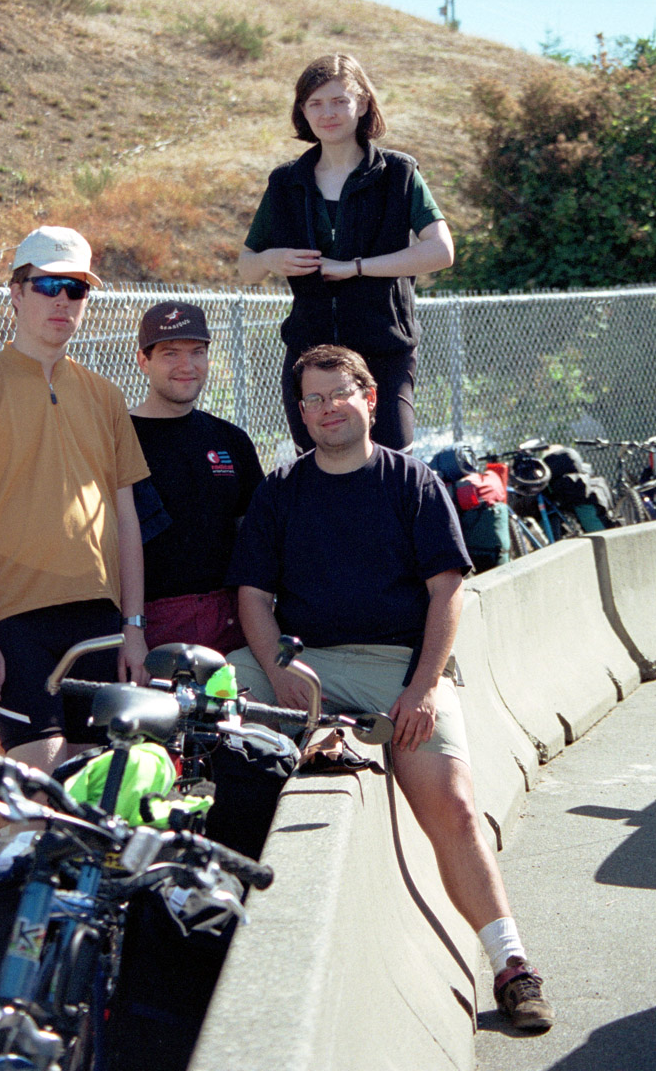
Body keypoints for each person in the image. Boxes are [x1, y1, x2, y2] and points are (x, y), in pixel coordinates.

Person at [227, 344, 554, 1031]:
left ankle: (511, 964)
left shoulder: (413, 484)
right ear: (301, 412)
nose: (326, 410)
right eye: (313, 400)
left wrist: (424, 688)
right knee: (217, 683)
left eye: (339, 394)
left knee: (454, 807)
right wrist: (278, 670)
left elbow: (447, 592)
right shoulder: (280, 490)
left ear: (370, 399)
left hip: (398, 666)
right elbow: (253, 596)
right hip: (304, 661)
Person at [0, 226, 150, 775]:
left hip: (99, 620)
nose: (62, 300)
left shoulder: (105, 395)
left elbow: (126, 518)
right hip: (13, 623)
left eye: (76, 288)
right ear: (16, 293)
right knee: (36, 789)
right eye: (48, 285)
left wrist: (134, 627)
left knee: (98, 788)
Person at [238, 52, 454, 456]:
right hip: (310, 358)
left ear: (364, 103)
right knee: (317, 472)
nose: (328, 113)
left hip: (384, 352)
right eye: (315, 103)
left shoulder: (399, 173)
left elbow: (441, 251)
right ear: (302, 111)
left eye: (340, 101)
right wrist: (271, 260)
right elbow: (246, 266)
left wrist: (356, 267)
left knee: (391, 469)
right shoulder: (285, 182)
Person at [130, 300, 263, 655]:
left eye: (197, 352)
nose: (186, 366)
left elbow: (256, 540)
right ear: (143, 360)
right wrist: (132, 628)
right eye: (170, 353)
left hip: (231, 623)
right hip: (148, 626)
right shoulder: (118, 438)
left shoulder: (231, 439)